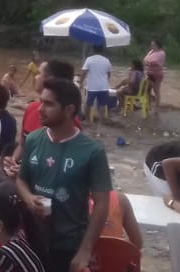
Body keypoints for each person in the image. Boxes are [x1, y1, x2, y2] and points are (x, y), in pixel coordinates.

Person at [16, 77, 112, 272]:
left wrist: (85, 250)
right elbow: (21, 179)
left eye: (49, 104)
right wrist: (28, 198)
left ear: (69, 110)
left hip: (69, 244)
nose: (40, 109)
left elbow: (102, 203)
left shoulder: (92, 151)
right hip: (32, 237)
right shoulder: (34, 139)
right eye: (41, 101)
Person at [7, 60, 76, 173]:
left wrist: (29, 170)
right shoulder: (31, 108)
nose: (36, 77)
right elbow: (23, 145)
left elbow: (67, 164)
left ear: (49, 79)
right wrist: (12, 161)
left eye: (39, 73)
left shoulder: (68, 120)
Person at [80, 46, 112, 123]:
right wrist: (105, 80)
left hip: (92, 87)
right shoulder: (106, 60)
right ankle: (100, 121)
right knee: (102, 104)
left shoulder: (89, 59)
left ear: (93, 50)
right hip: (104, 86)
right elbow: (109, 73)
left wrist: (81, 82)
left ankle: (87, 120)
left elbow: (84, 72)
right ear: (102, 51)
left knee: (88, 103)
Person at [143, 40, 165, 115]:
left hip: (157, 74)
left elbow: (155, 62)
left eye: (153, 45)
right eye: (151, 45)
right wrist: (148, 62)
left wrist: (148, 62)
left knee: (156, 90)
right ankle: (148, 105)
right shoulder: (151, 52)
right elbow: (145, 60)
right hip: (149, 73)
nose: (152, 46)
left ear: (158, 45)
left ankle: (157, 108)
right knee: (147, 89)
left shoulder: (161, 53)